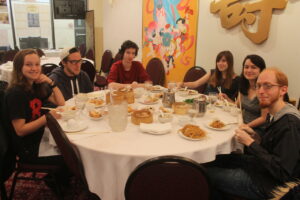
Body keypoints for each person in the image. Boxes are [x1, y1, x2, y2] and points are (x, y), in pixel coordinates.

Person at [205, 68, 300, 199]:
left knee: (204, 173)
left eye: (268, 86)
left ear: (283, 90)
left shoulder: (289, 124)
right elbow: (274, 148)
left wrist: (250, 143)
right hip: (260, 168)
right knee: (216, 158)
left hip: (269, 184)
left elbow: (283, 172)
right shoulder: (275, 114)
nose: (260, 91)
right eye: (259, 86)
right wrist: (257, 138)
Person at [5, 49, 65, 164]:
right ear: (19, 68)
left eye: (37, 64)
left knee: (70, 146)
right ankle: (57, 180)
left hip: (39, 136)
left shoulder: (35, 86)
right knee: (70, 155)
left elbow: (61, 103)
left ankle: (58, 178)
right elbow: (20, 130)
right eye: (28, 65)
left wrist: (51, 83)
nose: (34, 68)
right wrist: (48, 117)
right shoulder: (16, 93)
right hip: (28, 148)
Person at [237, 55, 268, 133]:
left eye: (253, 67)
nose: (249, 70)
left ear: (261, 70)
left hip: (258, 130)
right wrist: (226, 99)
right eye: (246, 67)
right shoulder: (244, 85)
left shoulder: (264, 90)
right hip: (242, 124)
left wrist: (246, 126)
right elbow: (237, 105)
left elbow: (263, 118)